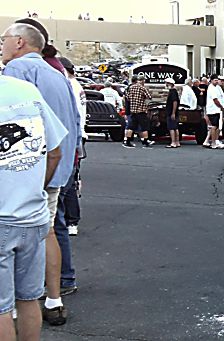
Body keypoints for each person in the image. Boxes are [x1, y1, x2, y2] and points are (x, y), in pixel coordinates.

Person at [2, 22, 81, 326]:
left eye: (4, 39)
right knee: (49, 230)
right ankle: (54, 297)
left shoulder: (18, 72)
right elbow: (70, 124)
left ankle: (15, 307)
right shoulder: (57, 72)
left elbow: (13, 129)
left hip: (26, 176)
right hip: (57, 168)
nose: (2, 45)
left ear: (19, 42)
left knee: (24, 243)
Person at [0, 75, 67, 341]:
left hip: (3, 215)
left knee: (2, 308)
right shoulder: (25, 90)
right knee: (28, 299)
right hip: (33, 214)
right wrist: (35, 187)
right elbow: (55, 152)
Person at [59, 57, 86, 236]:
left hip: (71, 136)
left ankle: (71, 220)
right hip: (79, 134)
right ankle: (72, 219)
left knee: (67, 182)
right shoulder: (77, 86)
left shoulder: (69, 86)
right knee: (72, 179)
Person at [123, 75, 153, 148]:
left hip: (133, 110)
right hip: (141, 110)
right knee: (144, 127)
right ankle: (145, 142)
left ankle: (127, 141)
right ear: (142, 81)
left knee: (131, 127)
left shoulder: (131, 87)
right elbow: (149, 97)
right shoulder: (142, 88)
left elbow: (128, 98)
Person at [205, 75, 224, 149]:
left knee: (217, 126)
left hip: (217, 110)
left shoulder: (216, 87)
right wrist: (221, 107)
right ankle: (213, 143)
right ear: (211, 80)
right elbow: (215, 100)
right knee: (214, 126)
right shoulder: (211, 88)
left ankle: (215, 141)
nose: (216, 81)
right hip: (213, 110)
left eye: (217, 80)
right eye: (215, 80)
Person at [164, 78, 181, 148]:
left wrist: (173, 113)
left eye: (167, 83)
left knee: (171, 128)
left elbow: (175, 102)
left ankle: (173, 142)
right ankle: (177, 142)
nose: (166, 85)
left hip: (171, 112)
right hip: (174, 112)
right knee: (175, 127)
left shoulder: (173, 92)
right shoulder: (174, 91)